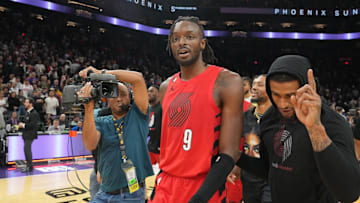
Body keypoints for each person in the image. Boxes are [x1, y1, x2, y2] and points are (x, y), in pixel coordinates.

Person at [236, 55, 360, 203]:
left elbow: (349, 193)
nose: (283, 104)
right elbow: (269, 169)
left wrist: (314, 127)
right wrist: (235, 157)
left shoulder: (333, 123)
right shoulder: (270, 118)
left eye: (290, 95)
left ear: (307, 88)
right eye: (276, 95)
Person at [149, 16, 244, 203]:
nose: (181, 42)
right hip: (165, 185)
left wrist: (199, 198)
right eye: (175, 38)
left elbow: (230, 153)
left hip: (204, 187)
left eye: (189, 37)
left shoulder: (227, 82)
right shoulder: (166, 86)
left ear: (202, 43)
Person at [78, 66, 153, 202]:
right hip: (104, 192)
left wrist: (101, 73)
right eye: (114, 94)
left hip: (131, 194)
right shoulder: (98, 116)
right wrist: (88, 108)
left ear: (130, 98)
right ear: (107, 99)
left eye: (123, 95)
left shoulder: (138, 114)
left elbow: (138, 79)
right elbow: (90, 143)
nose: (119, 99)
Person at [228, 75, 272, 203]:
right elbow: (239, 146)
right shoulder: (244, 117)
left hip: (271, 179)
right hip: (249, 180)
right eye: (254, 84)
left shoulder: (279, 118)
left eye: (260, 85)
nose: (254, 88)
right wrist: (234, 167)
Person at [18, 98, 40, 173]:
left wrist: (23, 125)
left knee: (27, 150)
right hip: (26, 134)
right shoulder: (27, 112)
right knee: (26, 150)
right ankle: (29, 165)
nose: (25, 104)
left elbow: (33, 125)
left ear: (30, 104)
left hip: (30, 134)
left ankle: (29, 166)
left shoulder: (34, 113)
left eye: (26, 102)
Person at [147, 85, 162, 165]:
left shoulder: (162, 107)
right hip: (150, 146)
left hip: (160, 148)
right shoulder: (149, 108)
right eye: (148, 91)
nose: (149, 93)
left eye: (152, 91)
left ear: (159, 93)